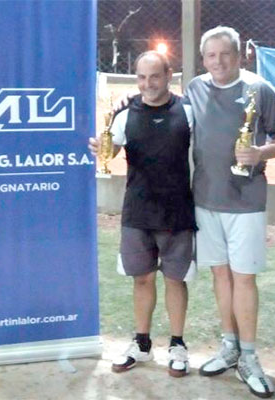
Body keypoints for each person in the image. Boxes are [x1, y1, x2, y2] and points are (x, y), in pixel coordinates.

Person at [185, 26, 275, 398]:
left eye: (225, 54)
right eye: (211, 55)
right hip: (204, 200)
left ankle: (249, 357)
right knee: (220, 275)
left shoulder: (259, 90)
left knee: (244, 278)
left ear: (239, 56)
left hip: (246, 201)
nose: (218, 61)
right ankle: (229, 346)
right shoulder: (194, 88)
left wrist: (261, 152)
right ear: (203, 59)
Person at [88, 51, 196, 377]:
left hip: (177, 212)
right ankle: (142, 343)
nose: (148, 84)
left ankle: (177, 344)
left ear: (169, 76)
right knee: (142, 279)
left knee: (175, 280)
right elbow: (112, 149)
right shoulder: (124, 113)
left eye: (155, 76)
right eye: (141, 77)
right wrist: (102, 148)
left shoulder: (188, 111)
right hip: (137, 212)